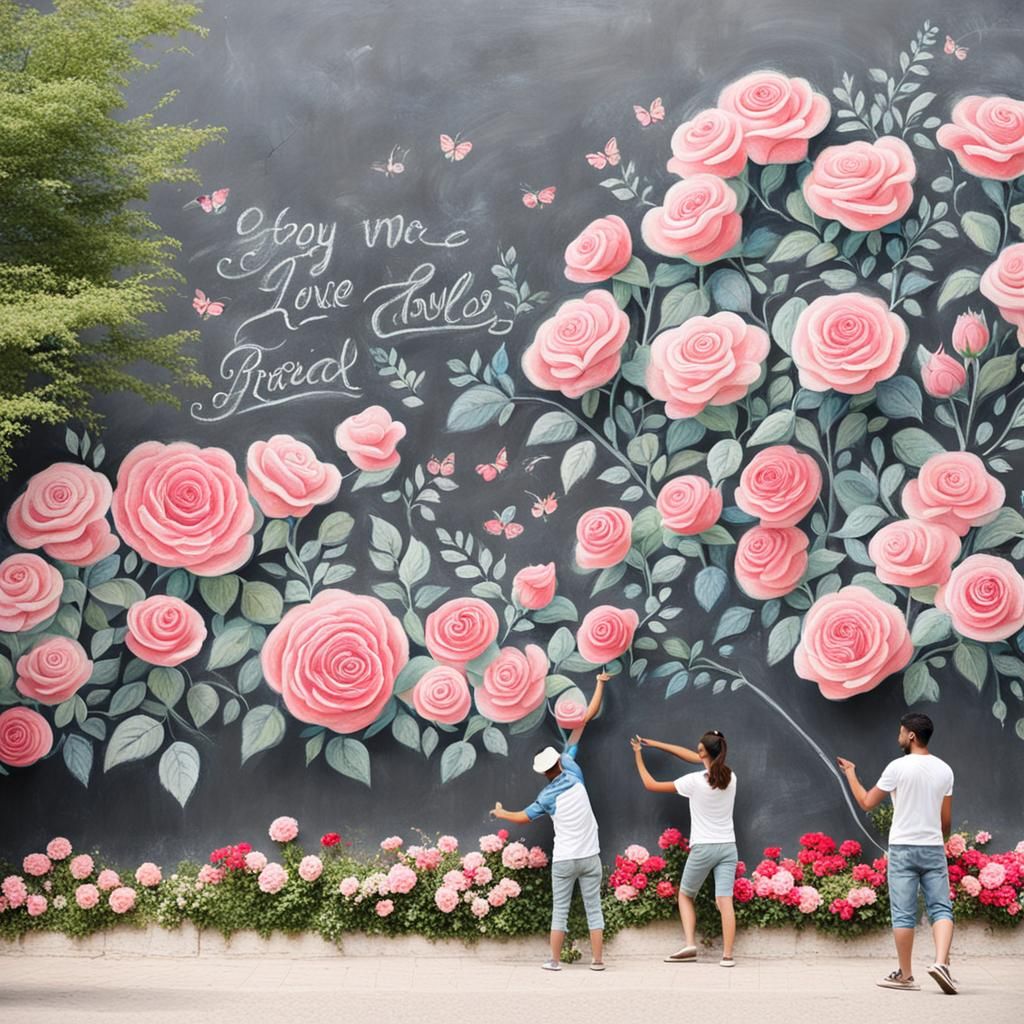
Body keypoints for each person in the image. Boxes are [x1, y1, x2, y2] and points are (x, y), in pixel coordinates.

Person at [489, 672, 610, 972]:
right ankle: (597, 961)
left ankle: (554, 961)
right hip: (590, 856)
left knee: (561, 911)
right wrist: (600, 684)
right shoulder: (573, 770)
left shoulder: (546, 797)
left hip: (565, 859)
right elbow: (584, 721)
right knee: (594, 910)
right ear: (559, 761)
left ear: (544, 772)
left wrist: (502, 813)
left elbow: (523, 817)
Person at [837, 711, 957, 995]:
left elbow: (866, 802)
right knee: (941, 907)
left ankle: (905, 975)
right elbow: (946, 821)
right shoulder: (945, 770)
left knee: (904, 914)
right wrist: (940, 842)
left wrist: (851, 774)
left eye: (901, 732)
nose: (898, 737)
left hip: (903, 848)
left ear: (911, 736)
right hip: (932, 847)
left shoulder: (897, 768)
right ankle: (941, 964)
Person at [630, 730, 737, 967]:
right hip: (728, 847)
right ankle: (727, 956)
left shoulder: (694, 782)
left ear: (704, 753)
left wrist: (639, 754)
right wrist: (655, 741)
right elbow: (693, 756)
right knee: (724, 901)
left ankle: (690, 944)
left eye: (699, 749)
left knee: (686, 895)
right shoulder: (731, 778)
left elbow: (650, 784)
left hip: (704, 848)